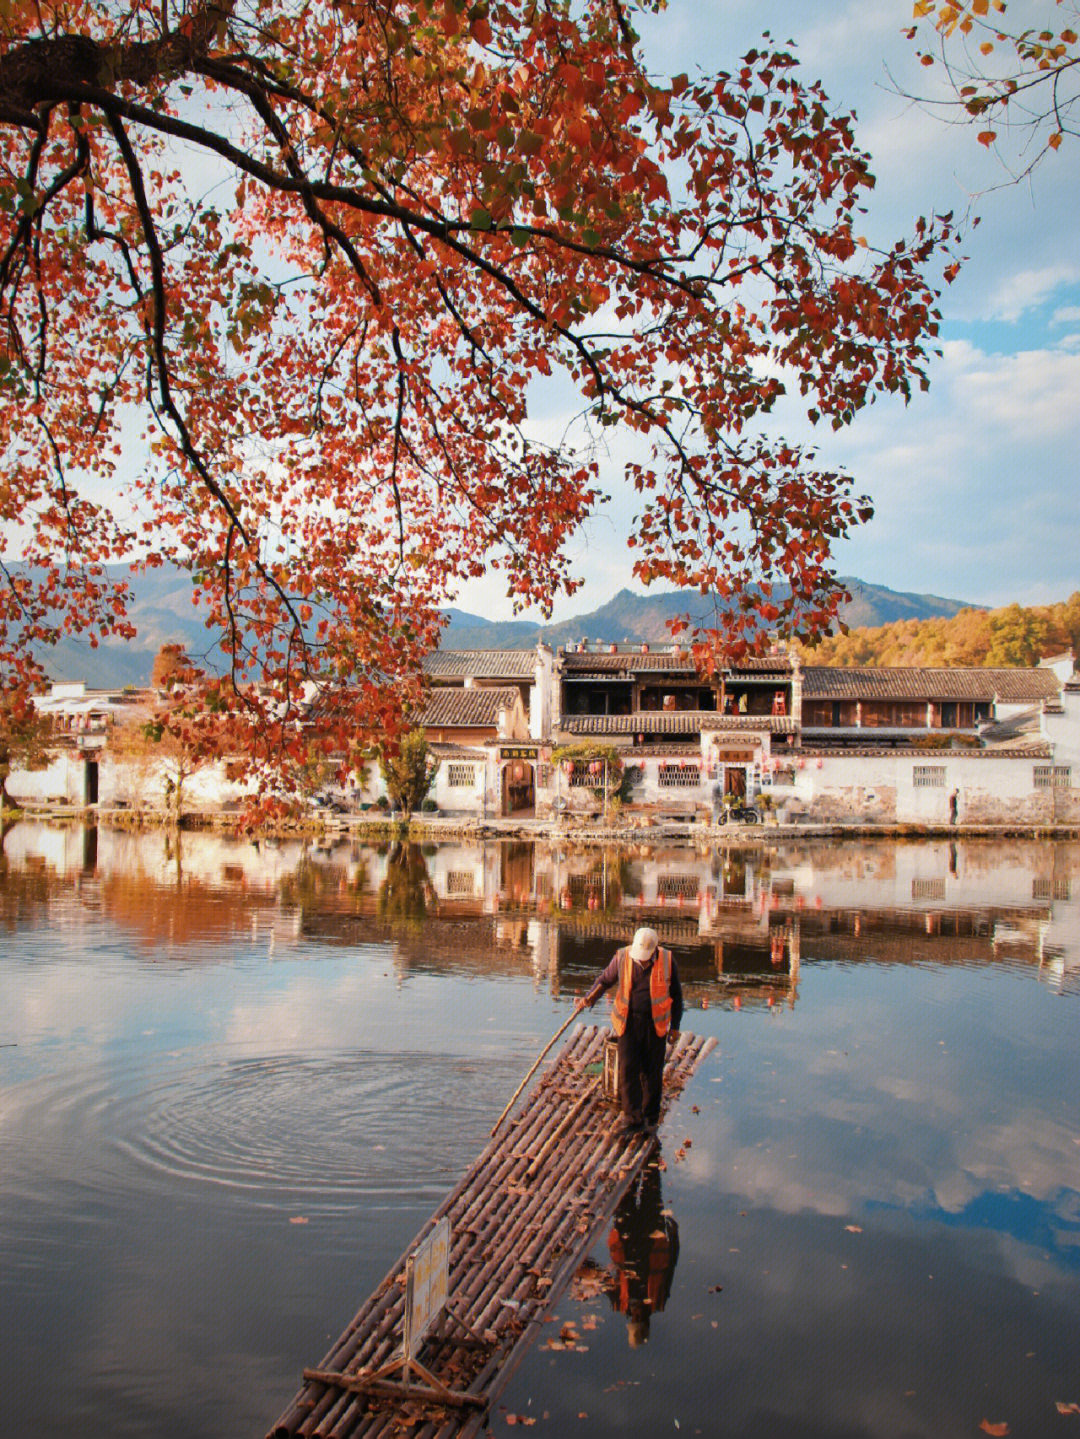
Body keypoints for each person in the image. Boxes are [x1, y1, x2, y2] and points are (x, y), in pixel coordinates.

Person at [576, 926, 683, 1134]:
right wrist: (588, 999)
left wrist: (675, 1027)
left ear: (654, 951)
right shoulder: (623, 957)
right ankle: (632, 1117)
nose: (641, 961)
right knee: (628, 1070)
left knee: (652, 1072)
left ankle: (650, 1118)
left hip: (655, 1024)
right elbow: (604, 981)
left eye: (645, 957)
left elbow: (677, 996)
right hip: (628, 1021)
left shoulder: (668, 961)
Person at [606, 1162, 679, 1346]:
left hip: (626, 1238)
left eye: (634, 1320)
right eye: (639, 1320)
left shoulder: (620, 1305)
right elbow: (670, 1266)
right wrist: (673, 1235)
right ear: (646, 1321)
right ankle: (651, 1152)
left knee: (624, 1195)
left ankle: (627, 1161)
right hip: (651, 1236)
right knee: (651, 1189)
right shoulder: (659, 1300)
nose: (636, 1316)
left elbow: (607, 1283)